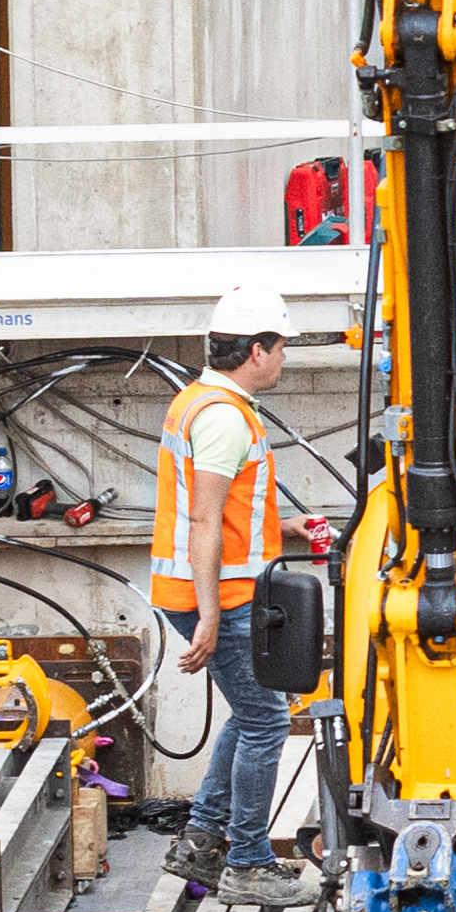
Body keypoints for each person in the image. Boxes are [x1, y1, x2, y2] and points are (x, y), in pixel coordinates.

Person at [158, 313, 301, 882]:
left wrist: (282, 528)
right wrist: (210, 615)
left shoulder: (197, 399)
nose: (285, 359)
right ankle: (247, 863)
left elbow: (224, 507)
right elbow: (204, 520)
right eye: (282, 348)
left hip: (209, 588)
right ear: (257, 351)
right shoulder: (224, 418)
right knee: (267, 721)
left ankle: (202, 838)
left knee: (250, 714)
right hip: (220, 596)